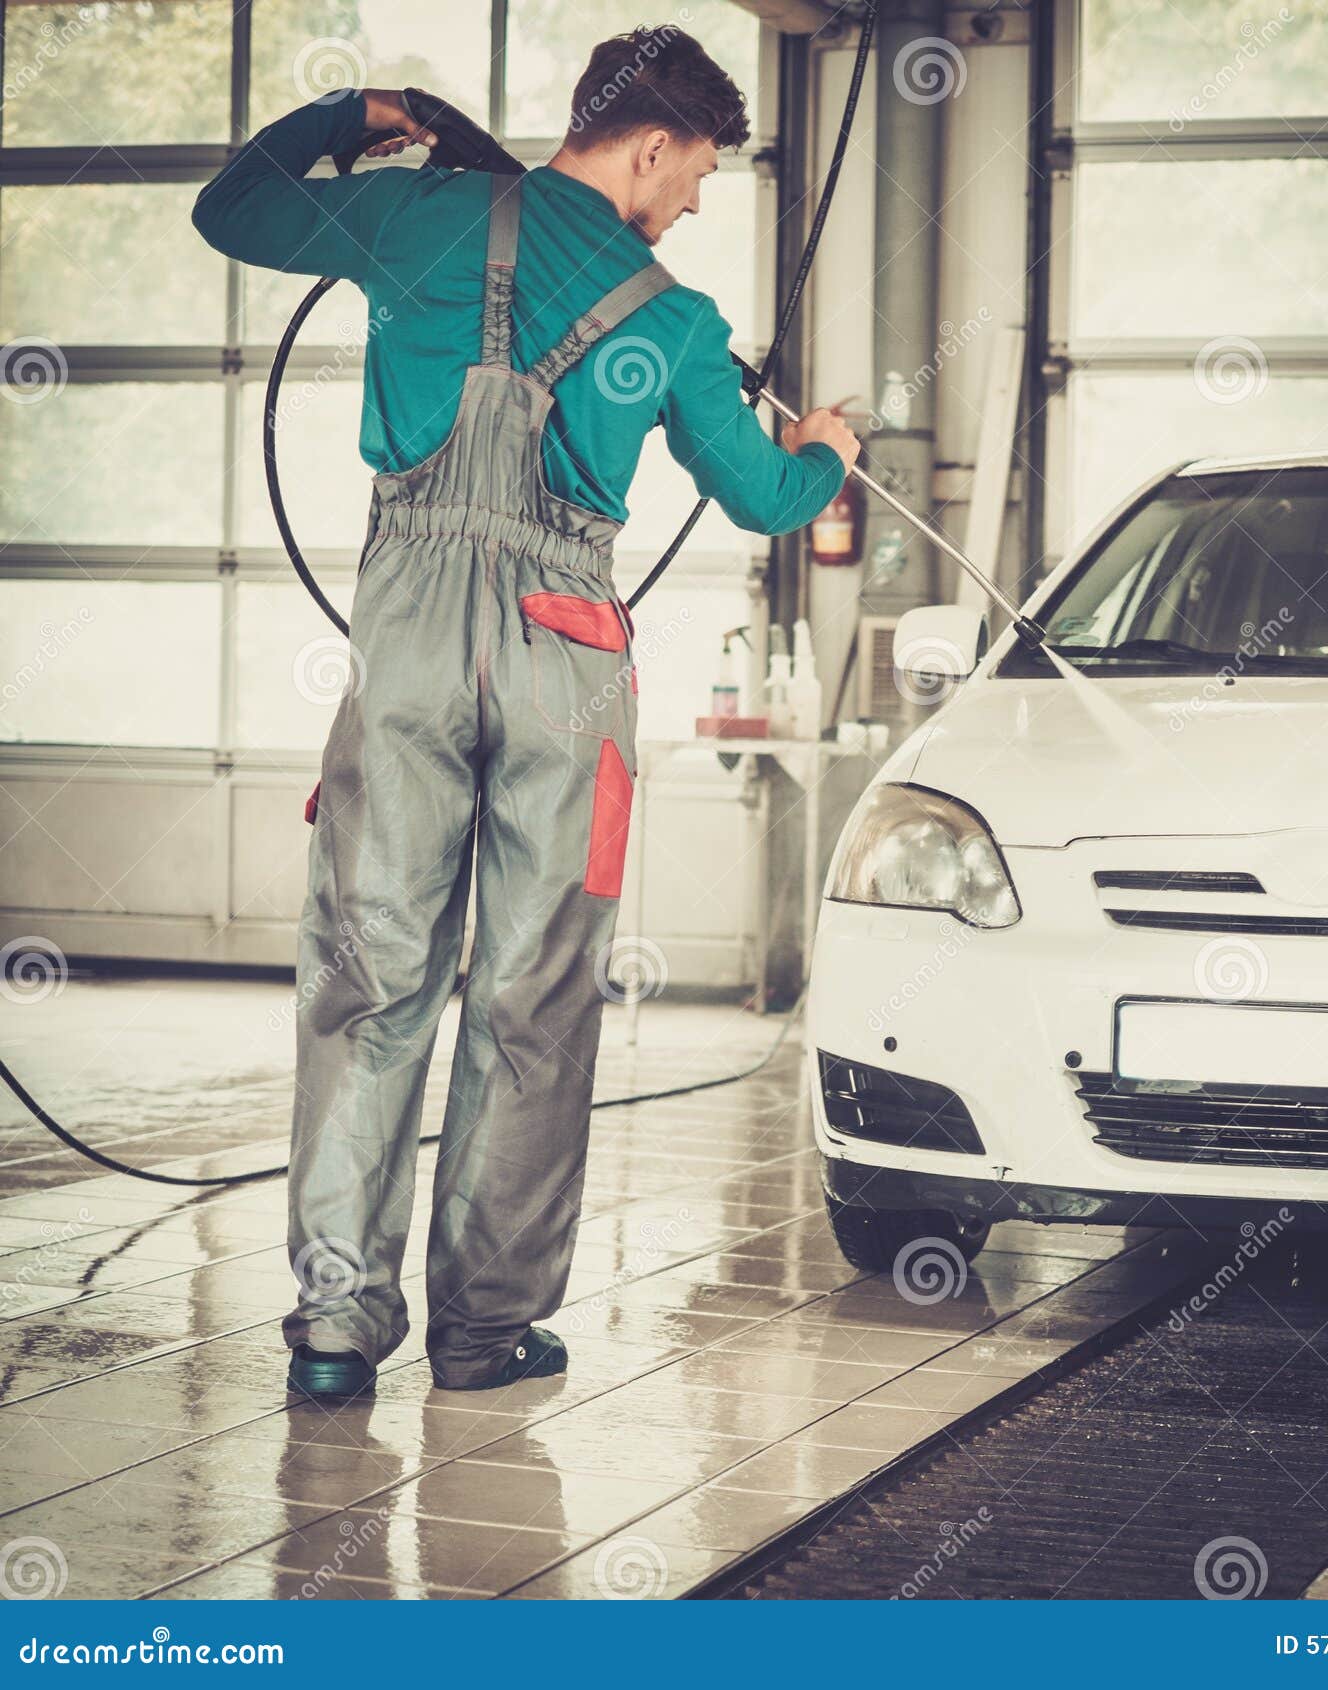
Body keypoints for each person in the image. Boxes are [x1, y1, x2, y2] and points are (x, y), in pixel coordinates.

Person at [192, 28, 858, 1398]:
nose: (694, 203)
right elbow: (766, 500)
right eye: (698, 173)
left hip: (408, 646)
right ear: (653, 144)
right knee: (533, 995)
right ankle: (484, 1329)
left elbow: (233, 208)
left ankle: (336, 1328)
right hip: (569, 663)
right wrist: (825, 451)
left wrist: (358, 111)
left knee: (373, 976)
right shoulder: (676, 320)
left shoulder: (416, 215)